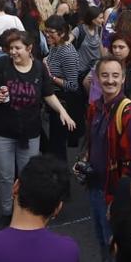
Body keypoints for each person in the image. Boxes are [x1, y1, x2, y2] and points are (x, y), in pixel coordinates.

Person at [0, 29, 75, 229]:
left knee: (27, 175)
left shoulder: (39, 68)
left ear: (29, 48)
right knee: (5, 176)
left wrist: (62, 111)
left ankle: (24, 212)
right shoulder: (2, 65)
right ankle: (7, 212)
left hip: (30, 133)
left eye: (17, 48)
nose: (13, 52)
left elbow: (48, 94)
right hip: (4, 131)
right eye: (10, 48)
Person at [80, 54, 131, 262]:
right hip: (95, 186)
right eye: (105, 75)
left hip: (113, 192)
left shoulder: (129, 113)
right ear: (97, 78)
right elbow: (93, 143)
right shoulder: (95, 107)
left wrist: (118, 199)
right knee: (103, 240)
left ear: (123, 78)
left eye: (115, 75)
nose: (110, 80)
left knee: (115, 243)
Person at [43, 15, 82, 160]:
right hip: (53, 101)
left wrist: (50, 77)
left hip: (63, 101)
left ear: (62, 33)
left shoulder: (67, 53)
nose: (47, 35)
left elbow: (72, 85)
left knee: (58, 145)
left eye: (51, 32)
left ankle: (60, 171)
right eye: (46, 31)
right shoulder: (55, 47)